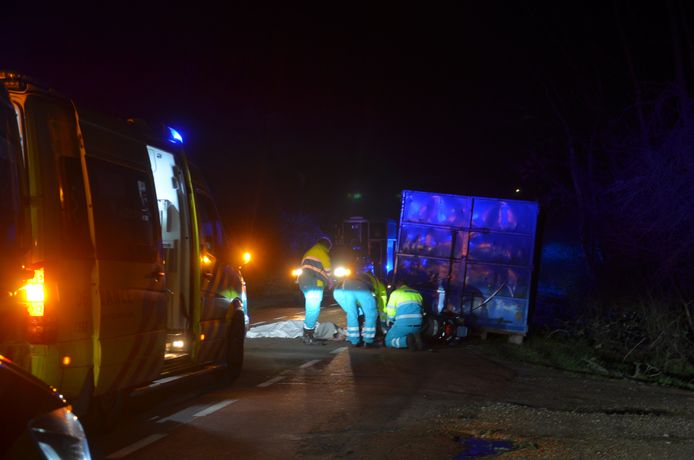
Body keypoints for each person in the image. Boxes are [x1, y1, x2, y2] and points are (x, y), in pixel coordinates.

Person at [333, 258, 379, 347]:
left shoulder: (353, 274)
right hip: (360, 287)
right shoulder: (373, 279)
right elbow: (374, 294)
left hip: (342, 289)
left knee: (352, 314)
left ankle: (354, 340)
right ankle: (368, 341)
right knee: (371, 313)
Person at [297, 236, 332, 344]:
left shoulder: (309, 251)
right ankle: (308, 335)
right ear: (327, 246)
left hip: (304, 283)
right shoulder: (321, 252)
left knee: (310, 308)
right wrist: (330, 281)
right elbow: (328, 269)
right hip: (314, 283)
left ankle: (307, 333)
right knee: (313, 308)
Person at [384, 280, 424, 350]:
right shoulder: (417, 293)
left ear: (397, 286)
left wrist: (390, 321)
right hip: (418, 326)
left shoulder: (396, 293)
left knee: (388, 341)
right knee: (410, 332)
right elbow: (421, 310)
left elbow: (391, 312)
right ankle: (416, 339)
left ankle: (406, 341)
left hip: (403, 325)